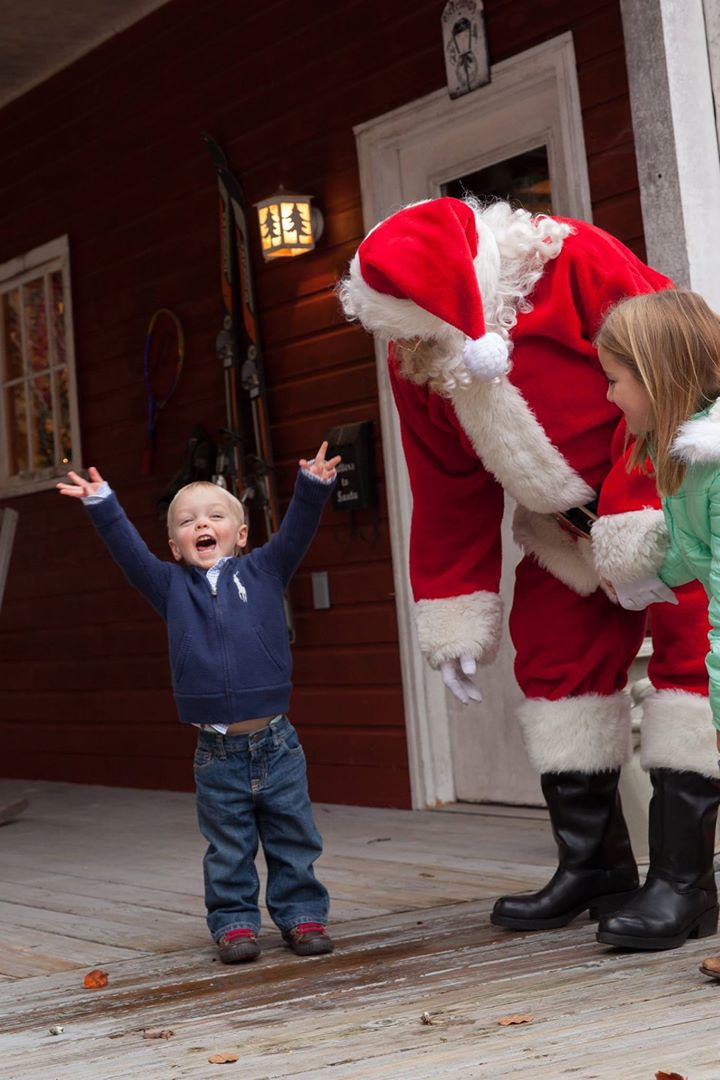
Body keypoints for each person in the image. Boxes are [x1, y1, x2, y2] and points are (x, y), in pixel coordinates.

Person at [339, 195, 715, 950]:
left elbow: (676, 377)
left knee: (690, 669)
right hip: (560, 530)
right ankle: (594, 867)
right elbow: (446, 480)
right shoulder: (410, 345)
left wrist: (637, 522)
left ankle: (684, 882)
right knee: (554, 658)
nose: (409, 348)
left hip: (671, 503)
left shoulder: (573, 258)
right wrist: (452, 609)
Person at [57, 442, 340, 964]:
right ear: (174, 544)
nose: (201, 525)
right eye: (187, 521)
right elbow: (128, 554)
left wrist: (312, 486)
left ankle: (302, 916)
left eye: (214, 516)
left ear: (242, 533)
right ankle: (234, 925)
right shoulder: (168, 587)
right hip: (217, 751)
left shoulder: (265, 570)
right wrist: (103, 504)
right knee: (228, 845)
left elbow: (298, 530)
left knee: (293, 836)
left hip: (277, 741)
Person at [591, 290, 720, 956]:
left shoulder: (717, 467)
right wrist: (643, 578)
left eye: (615, 380)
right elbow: (688, 553)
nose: (610, 398)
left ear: (657, 373)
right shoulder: (680, 462)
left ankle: (686, 886)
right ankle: (686, 889)